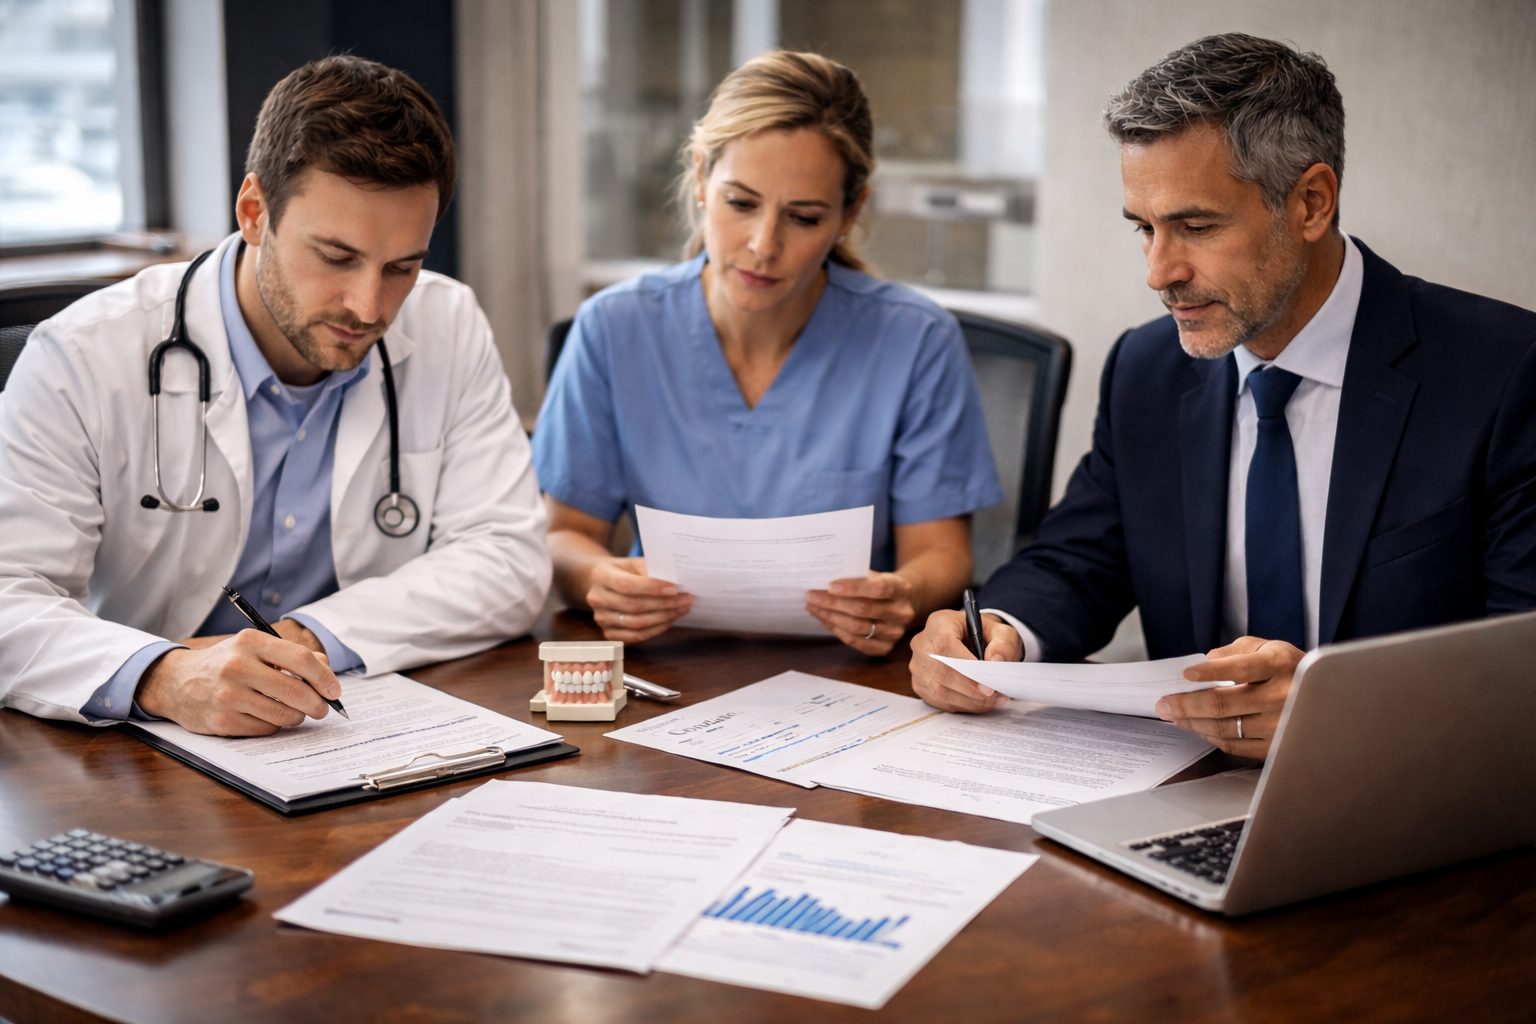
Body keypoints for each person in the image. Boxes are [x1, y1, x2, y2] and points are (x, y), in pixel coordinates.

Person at [910, 33, 1536, 757]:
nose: (1158, 272)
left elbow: (1520, 661)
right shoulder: (1146, 369)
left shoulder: (1503, 373)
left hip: (1409, 796)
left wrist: (1339, 710)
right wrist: (996, 633)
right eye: (1144, 229)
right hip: (1186, 792)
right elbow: (1077, 560)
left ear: (1310, 202)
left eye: (1195, 227)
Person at [0, 56, 550, 736]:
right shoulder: (82, 355)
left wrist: (301, 643)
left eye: (403, 267)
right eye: (337, 257)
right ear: (255, 212)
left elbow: (508, 560)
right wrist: (165, 675)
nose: (369, 305)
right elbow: (8, 600)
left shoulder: (447, 321)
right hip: (140, 753)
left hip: (348, 731)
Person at [532, 50, 1001, 656]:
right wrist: (600, 579)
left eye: (803, 217)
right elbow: (565, 534)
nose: (763, 245)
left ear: (849, 214)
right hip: (666, 672)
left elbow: (941, 553)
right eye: (741, 203)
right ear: (701, 179)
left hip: (850, 681)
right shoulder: (612, 329)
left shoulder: (914, 341)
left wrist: (901, 592)